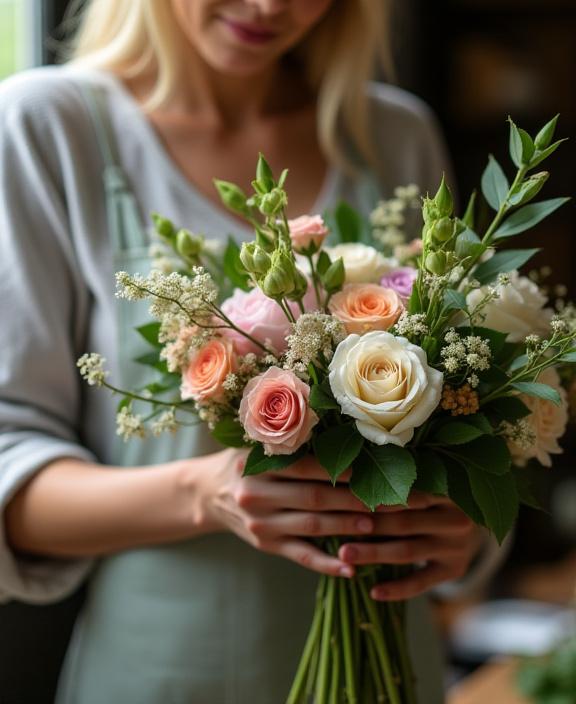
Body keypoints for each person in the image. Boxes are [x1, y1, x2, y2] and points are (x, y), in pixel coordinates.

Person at [0, 1, 499, 702]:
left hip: (391, 671)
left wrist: (466, 533)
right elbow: (9, 470)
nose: (270, 7)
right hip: (165, 678)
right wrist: (206, 492)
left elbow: (471, 413)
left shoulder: (392, 133)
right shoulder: (47, 126)